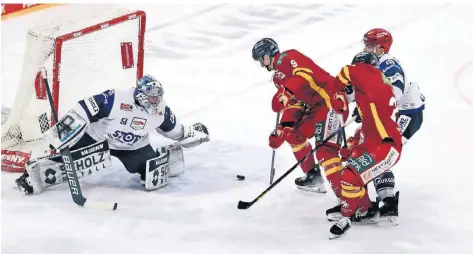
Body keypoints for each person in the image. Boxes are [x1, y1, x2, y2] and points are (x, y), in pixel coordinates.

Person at [15, 74, 209, 194]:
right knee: (69, 159)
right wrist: (62, 134)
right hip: (96, 137)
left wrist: (192, 134)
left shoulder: (161, 111)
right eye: (152, 97)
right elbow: (83, 108)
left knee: (150, 173)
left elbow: (175, 131)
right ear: (141, 94)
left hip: (133, 147)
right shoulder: (116, 98)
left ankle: (156, 162)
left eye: (158, 97)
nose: (156, 101)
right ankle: (33, 175)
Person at [251, 38, 345, 194]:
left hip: (330, 100)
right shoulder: (277, 78)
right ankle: (312, 176)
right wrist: (282, 129)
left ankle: (349, 200)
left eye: (262, 59)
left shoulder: (289, 57)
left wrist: (285, 92)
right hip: (316, 108)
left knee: (326, 152)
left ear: (269, 54)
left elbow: (304, 75)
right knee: (294, 136)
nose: (262, 64)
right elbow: (294, 104)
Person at [327, 52, 403, 239]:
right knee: (350, 165)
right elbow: (369, 130)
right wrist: (352, 149)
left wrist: (337, 94)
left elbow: (346, 72)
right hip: (378, 142)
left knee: (350, 176)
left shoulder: (367, 72)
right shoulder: (374, 88)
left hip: (387, 147)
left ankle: (347, 216)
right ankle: (365, 209)